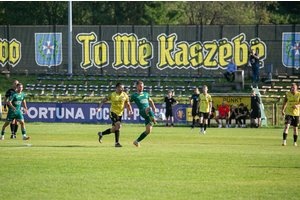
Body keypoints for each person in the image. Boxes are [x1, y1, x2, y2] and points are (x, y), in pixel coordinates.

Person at [96, 83, 133, 147]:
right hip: (113, 112)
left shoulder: (125, 95)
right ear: (117, 88)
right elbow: (103, 101)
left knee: (113, 130)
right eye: (121, 87)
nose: (122, 89)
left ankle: (101, 134)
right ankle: (117, 143)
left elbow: (128, 104)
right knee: (118, 124)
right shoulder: (112, 95)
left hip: (120, 114)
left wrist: (130, 111)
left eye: (123, 87)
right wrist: (99, 108)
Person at [130, 81, 157, 147]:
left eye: (142, 86)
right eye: (140, 86)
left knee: (148, 131)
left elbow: (150, 101)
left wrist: (155, 108)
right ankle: (153, 119)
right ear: (137, 87)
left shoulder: (146, 94)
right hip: (143, 111)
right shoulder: (134, 95)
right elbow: (128, 104)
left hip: (148, 113)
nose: (141, 87)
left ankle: (136, 141)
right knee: (148, 108)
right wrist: (129, 111)